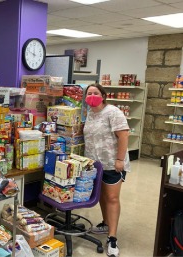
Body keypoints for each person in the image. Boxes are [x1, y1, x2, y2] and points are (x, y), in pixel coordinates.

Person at [83, 83, 130, 257]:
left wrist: (119, 159)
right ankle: (105, 223)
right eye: (89, 93)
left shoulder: (113, 112)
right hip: (96, 164)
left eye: (95, 93)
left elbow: (124, 135)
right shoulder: (90, 113)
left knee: (111, 198)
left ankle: (112, 237)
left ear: (103, 96)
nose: (92, 96)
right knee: (102, 195)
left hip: (112, 163)